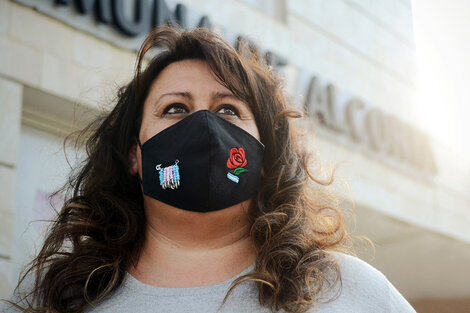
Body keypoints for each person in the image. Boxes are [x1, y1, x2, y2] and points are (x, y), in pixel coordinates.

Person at [1, 26, 416, 313]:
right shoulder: (61, 297)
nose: (203, 125)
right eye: (175, 108)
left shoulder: (351, 292)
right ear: (135, 156)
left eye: (228, 110)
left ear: (266, 159)